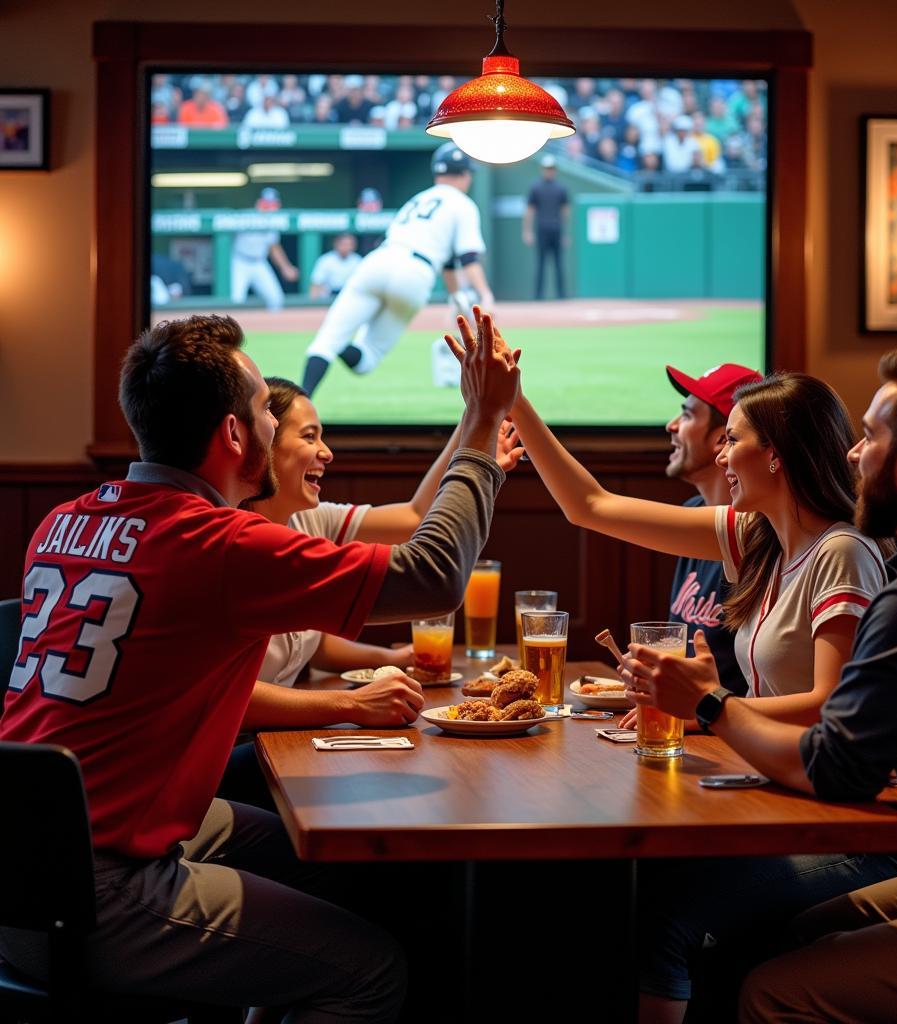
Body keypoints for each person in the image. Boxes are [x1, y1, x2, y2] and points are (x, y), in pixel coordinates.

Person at [0, 310, 519, 1019]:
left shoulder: (61, 521)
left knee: (312, 852)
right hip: (94, 894)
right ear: (234, 434)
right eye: (262, 414)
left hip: (23, 860)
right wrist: (484, 423)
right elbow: (432, 577)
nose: (275, 428)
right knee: (369, 971)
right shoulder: (218, 544)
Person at [460, 320, 897, 1022]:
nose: (724, 456)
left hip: (848, 822)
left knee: (669, 912)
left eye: (734, 438)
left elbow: (831, 705)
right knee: (647, 884)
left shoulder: (842, 554)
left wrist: (708, 703)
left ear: (781, 456)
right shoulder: (757, 538)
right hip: (783, 797)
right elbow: (591, 508)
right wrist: (511, 401)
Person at [622, 342, 897, 1024]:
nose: (850, 454)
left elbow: (835, 768)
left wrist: (709, 704)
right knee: (784, 935)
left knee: (770, 993)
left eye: (868, 436)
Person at [217, 375, 524, 809]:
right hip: (228, 755)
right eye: (310, 436)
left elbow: (416, 515)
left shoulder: (311, 518)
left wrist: (471, 420)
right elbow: (228, 694)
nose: (327, 451)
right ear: (261, 440)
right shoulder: (236, 542)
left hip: (268, 743)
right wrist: (350, 704)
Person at [300, 142, 495, 396]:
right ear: (465, 174)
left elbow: (449, 264)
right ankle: (336, 343)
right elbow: (467, 258)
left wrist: (457, 297)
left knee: (325, 341)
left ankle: (297, 408)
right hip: (415, 274)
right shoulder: (463, 204)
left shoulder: (418, 198)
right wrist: (484, 294)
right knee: (366, 361)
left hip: (379, 260)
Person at [663, 363, 761, 696]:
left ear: (723, 439)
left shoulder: (755, 532)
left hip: (730, 734)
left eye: (687, 416)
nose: (672, 426)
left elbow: (591, 507)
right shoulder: (692, 512)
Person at [230, 187, 299, 311]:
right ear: (259, 203)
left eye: (272, 205)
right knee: (236, 300)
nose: (269, 208)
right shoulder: (244, 216)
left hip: (259, 262)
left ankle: (275, 329)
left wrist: (286, 267)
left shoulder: (274, 221)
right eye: (266, 204)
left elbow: (274, 247)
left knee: (276, 299)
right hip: (240, 261)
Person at [522, 154, 569, 300]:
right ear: (542, 169)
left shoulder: (561, 188)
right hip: (542, 229)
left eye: (551, 168)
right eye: (547, 168)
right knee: (540, 265)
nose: (549, 171)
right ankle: (538, 297)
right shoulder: (535, 187)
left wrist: (565, 233)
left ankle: (562, 297)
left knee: (559, 265)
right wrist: (527, 231)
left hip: (556, 229)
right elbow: (529, 210)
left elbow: (565, 211)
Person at [309, 232, 363, 300]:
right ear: (336, 244)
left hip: (351, 296)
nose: (346, 247)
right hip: (329, 297)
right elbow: (316, 284)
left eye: (349, 244)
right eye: (343, 244)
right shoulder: (325, 260)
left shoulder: (358, 260)